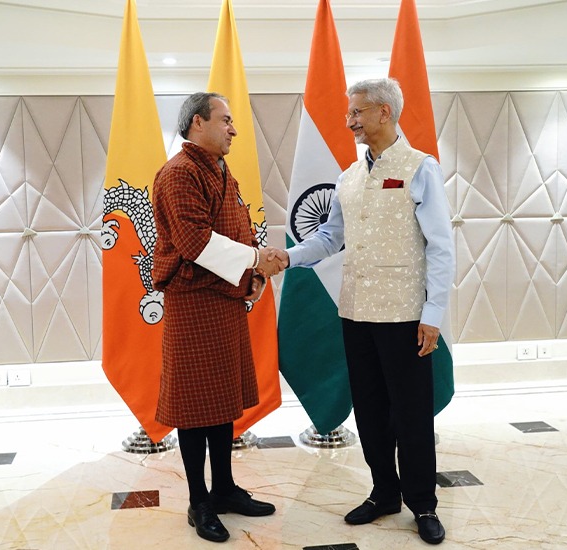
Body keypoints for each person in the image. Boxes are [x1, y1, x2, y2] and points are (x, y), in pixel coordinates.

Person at [263, 78, 454, 545]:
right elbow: (330, 237)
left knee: (411, 413)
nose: (349, 120)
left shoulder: (419, 168)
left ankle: (423, 504)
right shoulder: (348, 177)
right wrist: (289, 256)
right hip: (355, 314)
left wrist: (433, 313)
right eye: (350, 113)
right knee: (369, 410)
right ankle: (383, 492)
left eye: (358, 113)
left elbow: (442, 247)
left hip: (406, 316)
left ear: (385, 113)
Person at [150, 91, 286, 543]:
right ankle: (199, 500)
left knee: (221, 400)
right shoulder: (178, 173)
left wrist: (252, 276)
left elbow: (238, 227)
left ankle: (225, 488)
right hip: (193, 303)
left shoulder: (218, 168)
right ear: (196, 124)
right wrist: (255, 260)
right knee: (194, 407)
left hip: (224, 297)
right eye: (225, 120)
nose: (233, 129)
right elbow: (194, 241)